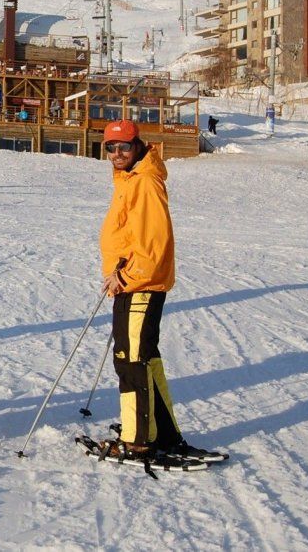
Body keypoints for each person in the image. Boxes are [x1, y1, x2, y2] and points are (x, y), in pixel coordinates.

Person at [98, 120, 198, 460]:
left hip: (139, 284)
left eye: (124, 146)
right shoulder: (129, 180)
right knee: (144, 358)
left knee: (131, 360)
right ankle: (160, 430)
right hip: (131, 283)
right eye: (110, 147)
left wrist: (125, 277)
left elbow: (154, 244)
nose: (117, 153)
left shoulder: (145, 183)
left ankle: (139, 439)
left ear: (138, 145)